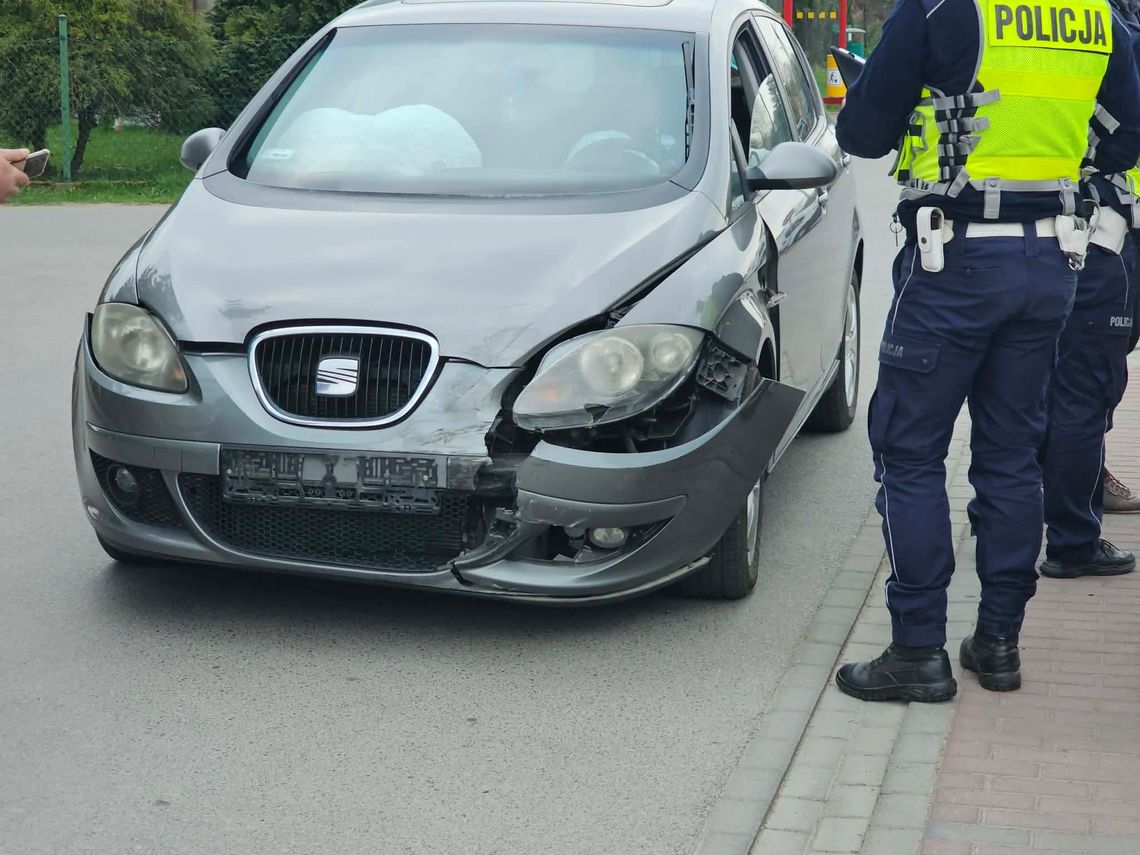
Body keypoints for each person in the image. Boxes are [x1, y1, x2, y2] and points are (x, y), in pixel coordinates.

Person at [832, 0, 1140, 703]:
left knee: (910, 453)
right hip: (1050, 264)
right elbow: (1127, 138)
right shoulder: (1097, 16)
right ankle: (998, 641)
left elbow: (864, 133)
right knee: (1011, 455)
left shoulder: (941, 9)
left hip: (952, 261)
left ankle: (918, 649)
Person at [1040, 0, 1140, 577]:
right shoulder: (1108, 25)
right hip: (1097, 231)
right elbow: (1126, 139)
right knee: (1083, 393)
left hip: (1021, 231)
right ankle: (1073, 539)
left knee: (1026, 387)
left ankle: (1004, 514)